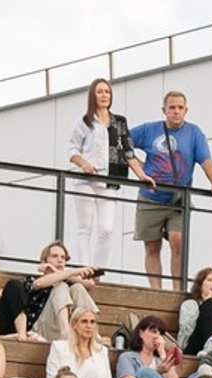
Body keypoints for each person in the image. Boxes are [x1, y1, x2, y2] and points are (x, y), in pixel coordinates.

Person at [129, 91, 212, 288]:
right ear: (164, 110)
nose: (176, 112)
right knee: (152, 245)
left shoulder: (193, 133)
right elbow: (123, 142)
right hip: (151, 197)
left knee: (177, 239)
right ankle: (156, 290)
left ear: (186, 110)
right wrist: (138, 167)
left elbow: (205, 160)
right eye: (172, 107)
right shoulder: (149, 129)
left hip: (178, 199)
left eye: (180, 108)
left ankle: (176, 289)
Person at [66, 77, 146, 268]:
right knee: (84, 229)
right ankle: (85, 269)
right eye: (100, 91)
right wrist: (83, 163)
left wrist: (142, 176)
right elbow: (72, 150)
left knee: (106, 229)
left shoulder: (119, 122)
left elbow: (129, 152)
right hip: (85, 180)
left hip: (110, 180)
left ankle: (98, 270)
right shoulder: (84, 122)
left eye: (107, 91)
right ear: (93, 95)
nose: (104, 95)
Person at [114, 315, 191, 378]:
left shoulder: (160, 359)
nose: (157, 336)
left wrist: (163, 354)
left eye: (160, 334)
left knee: (198, 376)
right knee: (144, 372)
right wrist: (156, 371)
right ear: (141, 333)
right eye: (153, 331)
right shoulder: (127, 357)